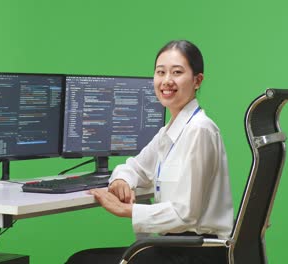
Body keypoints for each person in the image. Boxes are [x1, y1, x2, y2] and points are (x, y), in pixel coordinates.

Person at [66, 40, 234, 264]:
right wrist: (121, 180)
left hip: (197, 251)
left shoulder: (199, 130)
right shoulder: (170, 131)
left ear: (197, 80)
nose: (166, 81)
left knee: (81, 261)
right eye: (160, 72)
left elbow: (185, 214)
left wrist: (126, 209)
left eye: (177, 72)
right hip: (178, 246)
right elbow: (135, 166)